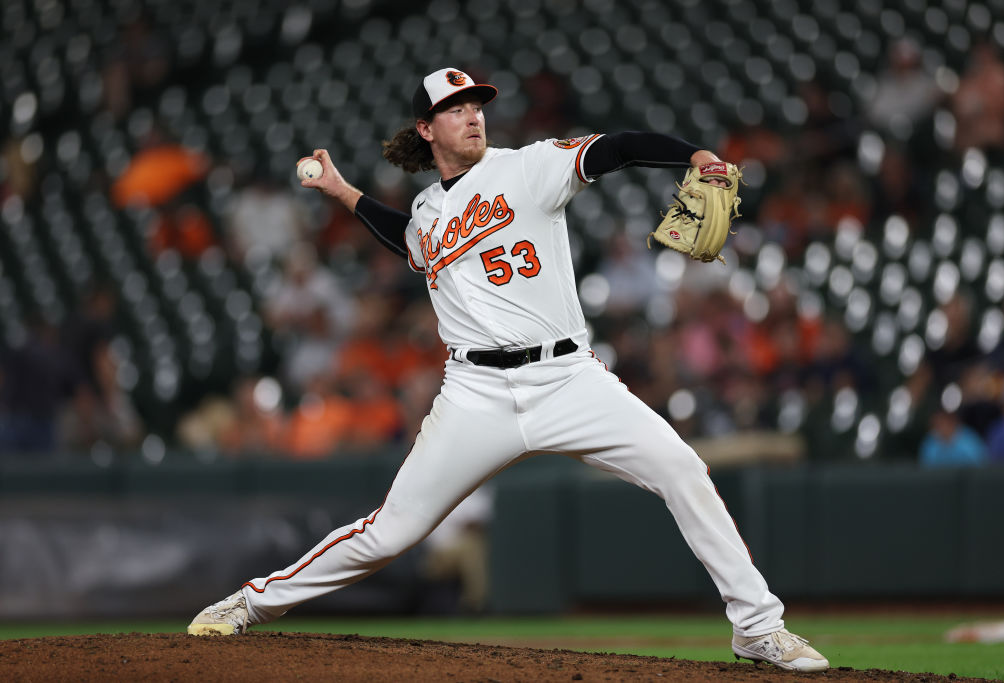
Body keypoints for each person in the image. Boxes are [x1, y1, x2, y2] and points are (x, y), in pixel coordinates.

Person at [188, 67, 828, 673]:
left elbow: (620, 147)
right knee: (390, 532)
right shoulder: (425, 213)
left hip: (568, 378)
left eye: (475, 106)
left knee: (683, 468)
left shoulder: (529, 168)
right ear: (426, 130)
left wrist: (694, 156)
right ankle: (249, 602)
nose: (471, 117)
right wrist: (342, 191)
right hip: (476, 392)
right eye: (453, 110)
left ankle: (757, 627)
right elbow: (407, 240)